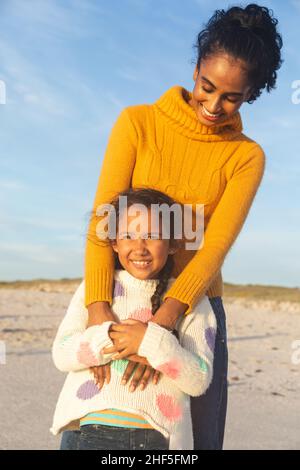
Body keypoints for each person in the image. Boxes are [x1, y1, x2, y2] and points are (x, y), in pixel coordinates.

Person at [82, 4, 283, 449]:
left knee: (198, 441)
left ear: (251, 93)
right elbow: (104, 221)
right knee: (106, 427)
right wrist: (97, 307)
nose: (213, 106)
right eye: (206, 87)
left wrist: (166, 322)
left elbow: (213, 249)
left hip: (196, 310)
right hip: (122, 298)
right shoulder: (138, 123)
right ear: (195, 69)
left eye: (231, 97)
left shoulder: (246, 157)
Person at [51, 188, 217, 450]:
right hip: (82, 429)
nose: (139, 248)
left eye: (152, 236)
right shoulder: (96, 288)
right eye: (128, 235)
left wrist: (149, 343)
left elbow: (198, 380)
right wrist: (106, 339)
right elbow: (61, 354)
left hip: (149, 435)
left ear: (173, 243)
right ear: (114, 242)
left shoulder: (191, 300)